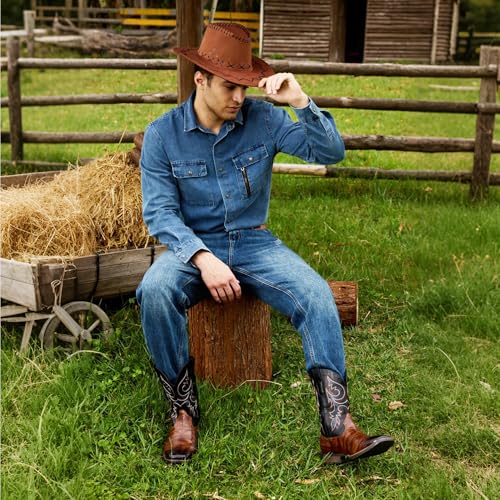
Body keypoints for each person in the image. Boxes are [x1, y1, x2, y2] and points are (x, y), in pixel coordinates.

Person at [137, 22, 394, 465]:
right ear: (200, 80)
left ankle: (337, 427)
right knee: (155, 290)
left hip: (254, 243)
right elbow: (160, 213)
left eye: (245, 87)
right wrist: (203, 258)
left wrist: (300, 101)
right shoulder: (162, 135)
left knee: (315, 293)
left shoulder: (264, 119)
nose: (239, 97)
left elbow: (330, 152)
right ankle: (182, 413)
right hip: (192, 249)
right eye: (229, 87)